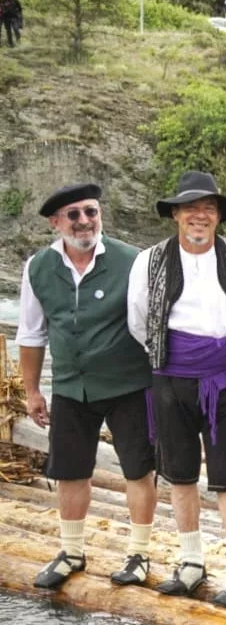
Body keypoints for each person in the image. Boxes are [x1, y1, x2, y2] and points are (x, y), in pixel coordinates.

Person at [125, 172, 226, 600]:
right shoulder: (149, 261)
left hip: (224, 378)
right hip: (169, 376)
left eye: (208, 208)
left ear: (218, 216)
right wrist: (172, 355)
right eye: (190, 208)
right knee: (179, 472)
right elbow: (138, 320)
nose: (199, 216)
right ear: (175, 216)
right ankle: (191, 562)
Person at [20, 183, 157, 591]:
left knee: (138, 468)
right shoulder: (38, 267)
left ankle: (139, 554)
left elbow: (153, 324)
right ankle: (72, 551)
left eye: (91, 212)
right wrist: (31, 391)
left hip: (130, 383)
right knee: (70, 471)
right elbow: (31, 334)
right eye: (74, 214)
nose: (84, 221)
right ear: (56, 222)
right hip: (70, 386)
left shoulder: (133, 260)